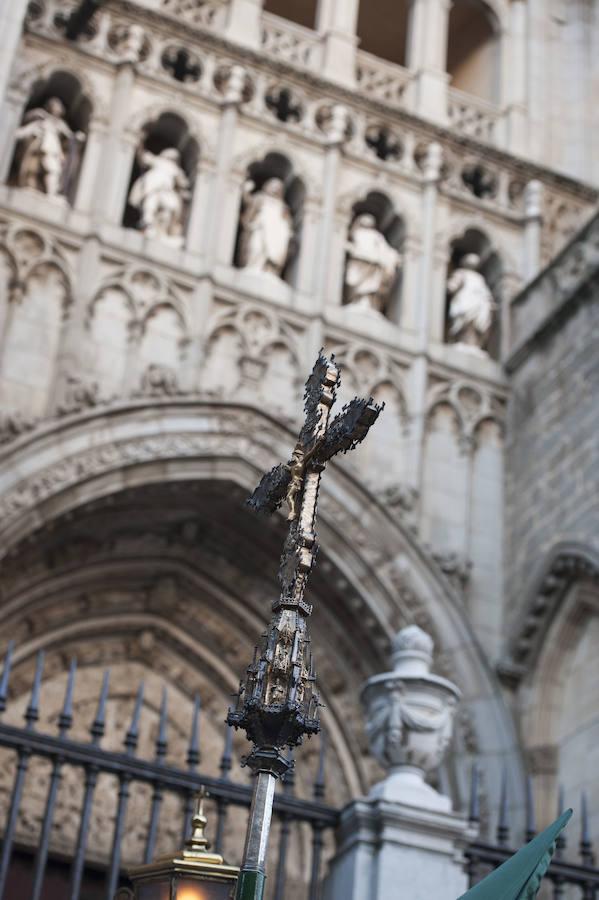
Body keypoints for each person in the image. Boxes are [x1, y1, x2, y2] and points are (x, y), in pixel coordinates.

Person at [14, 97, 83, 197]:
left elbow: (70, 136)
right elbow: (27, 129)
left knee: (53, 170)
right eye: (55, 106)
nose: (58, 109)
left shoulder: (59, 124)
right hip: (40, 148)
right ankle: (46, 191)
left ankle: (51, 193)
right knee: (35, 169)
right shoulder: (41, 120)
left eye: (59, 107)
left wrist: (77, 137)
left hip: (52, 150)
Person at [128, 147, 190, 246]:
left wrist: (184, 191)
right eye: (171, 158)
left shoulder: (175, 170)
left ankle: (163, 231)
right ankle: (148, 225)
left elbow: (183, 182)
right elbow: (144, 157)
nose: (172, 160)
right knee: (150, 205)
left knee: (170, 208)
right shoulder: (158, 161)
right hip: (154, 189)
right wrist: (140, 147)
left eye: (174, 159)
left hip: (167, 191)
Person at [344, 213, 401, 314]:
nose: (368, 221)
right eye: (364, 220)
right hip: (361, 263)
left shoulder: (377, 236)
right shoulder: (356, 234)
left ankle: (368, 303)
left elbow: (384, 249)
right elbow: (352, 247)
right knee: (359, 283)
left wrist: (392, 256)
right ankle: (359, 300)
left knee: (372, 285)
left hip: (375, 264)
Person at [238, 177, 293, 277]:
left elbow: (287, 223)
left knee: (273, 253)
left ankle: (269, 270)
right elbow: (249, 203)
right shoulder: (260, 198)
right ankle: (253, 266)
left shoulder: (283, 206)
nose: (275, 189)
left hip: (275, 235)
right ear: (267, 186)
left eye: (278, 187)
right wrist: (245, 191)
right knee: (256, 247)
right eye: (273, 186)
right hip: (260, 228)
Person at [447, 253, 495, 351]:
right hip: (466, 300)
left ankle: (473, 345)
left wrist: (489, 301)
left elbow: (484, 292)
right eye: (470, 259)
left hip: (478, 302)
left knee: (477, 323)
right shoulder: (461, 273)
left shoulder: (480, 278)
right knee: (465, 321)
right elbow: (453, 284)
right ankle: (462, 342)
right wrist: (450, 286)